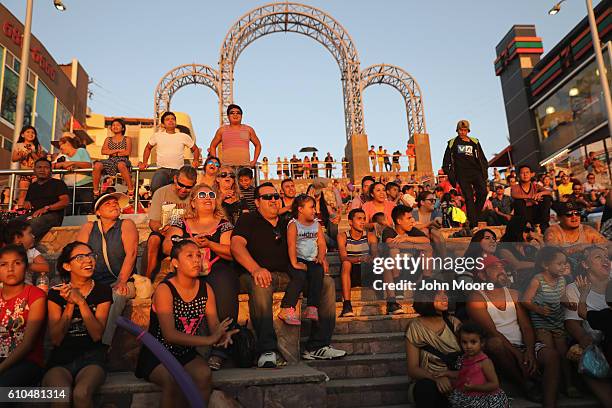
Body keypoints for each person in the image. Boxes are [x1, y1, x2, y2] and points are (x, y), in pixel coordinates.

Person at [230, 183, 346, 367]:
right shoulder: (248, 220)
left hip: (289, 275)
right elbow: (236, 246)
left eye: (276, 196)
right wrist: (255, 269)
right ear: (257, 202)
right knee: (262, 284)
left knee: (326, 282)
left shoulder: (288, 221)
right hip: (254, 274)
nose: (274, 200)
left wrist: (319, 257)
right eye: (268, 197)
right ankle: (267, 349)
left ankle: (318, 345)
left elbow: (309, 240)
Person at [135, 240, 237, 407]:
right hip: (158, 353)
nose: (196, 260)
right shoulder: (165, 289)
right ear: (175, 263)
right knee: (172, 380)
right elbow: (169, 335)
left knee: (204, 375)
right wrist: (209, 340)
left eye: (198, 255)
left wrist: (222, 335)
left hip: (184, 353)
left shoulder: (206, 289)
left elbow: (214, 326)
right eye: (189, 256)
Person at [162, 184, 238, 370]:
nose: (207, 198)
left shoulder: (224, 224)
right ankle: (179, 347)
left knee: (224, 282)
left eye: (211, 194)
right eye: (202, 194)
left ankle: (220, 350)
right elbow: (167, 246)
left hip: (216, 266)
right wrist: (190, 243)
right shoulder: (181, 221)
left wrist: (210, 244)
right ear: (193, 202)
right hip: (187, 268)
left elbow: (231, 252)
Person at [467, 256, 560, 407]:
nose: (502, 270)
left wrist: (528, 351)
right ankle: (525, 384)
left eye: (502, 267)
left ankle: (550, 404)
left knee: (552, 355)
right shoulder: (476, 298)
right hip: (501, 349)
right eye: (495, 267)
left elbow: (526, 327)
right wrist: (518, 355)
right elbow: (492, 332)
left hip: (523, 345)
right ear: (482, 275)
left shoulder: (514, 294)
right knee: (495, 343)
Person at [43, 242, 113, 408]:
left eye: (90, 256)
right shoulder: (55, 293)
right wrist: (69, 304)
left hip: (92, 357)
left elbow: (97, 334)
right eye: (80, 257)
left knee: (81, 393)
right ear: (67, 266)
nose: (88, 261)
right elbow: (56, 338)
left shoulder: (103, 291)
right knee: (61, 397)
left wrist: (81, 302)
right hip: (61, 358)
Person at [76, 192, 137, 346]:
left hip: (122, 280)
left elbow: (132, 254)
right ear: (98, 212)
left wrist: (122, 281)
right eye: (107, 204)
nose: (113, 205)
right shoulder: (89, 227)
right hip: (95, 282)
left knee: (117, 295)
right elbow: (78, 253)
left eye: (115, 203)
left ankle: (103, 344)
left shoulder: (126, 224)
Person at [521, 247, 579, 397]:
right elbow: (525, 300)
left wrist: (568, 304)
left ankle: (569, 384)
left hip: (557, 321)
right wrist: (539, 309)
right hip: (542, 324)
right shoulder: (538, 280)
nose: (563, 266)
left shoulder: (562, 280)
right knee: (551, 353)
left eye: (564, 263)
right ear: (546, 265)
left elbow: (561, 297)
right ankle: (553, 385)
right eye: (559, 264)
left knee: (563, 353)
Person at [563, 245, 612, 406]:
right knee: (580, 352)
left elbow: (583, 312)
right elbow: (571, 323)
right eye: (598, 257)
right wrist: (587, 342)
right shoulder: (574, 288)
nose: (606, 260)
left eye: (607, 257)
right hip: (593, 342)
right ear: (585, 264)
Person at [405, 284, 461, 408]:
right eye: (438, 293)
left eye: (445, 293)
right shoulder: (415, 327)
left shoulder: (454, 323)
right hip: (428, 381)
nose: (444, 297)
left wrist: (449, 375)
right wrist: (436, 379)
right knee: (426, 389)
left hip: (456, 378)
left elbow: (471, 358)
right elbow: (412, 369)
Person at [0, 245, 46, 386]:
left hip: (26, 361)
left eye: (17, 263)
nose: (10, 269)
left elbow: (28, 344)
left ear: (26, 267)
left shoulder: (35, 295)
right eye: (3, 264)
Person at [278, 195, 328, 325]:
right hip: (296, 258)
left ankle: (312, 307)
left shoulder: (316, 224)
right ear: (300, 209)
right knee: (299, 277)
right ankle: (287, 308)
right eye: (311, 207)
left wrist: (321, 257)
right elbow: (291, 245)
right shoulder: (294, 225)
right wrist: (294, 262)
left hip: (312, 259)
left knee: (318, 273)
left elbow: (322, 243)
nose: (314, 211)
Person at [143, 166, 197, 279]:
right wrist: (160, 229)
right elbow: (153, 222)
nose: (183, 189)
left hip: (188, 234)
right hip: (165, 232)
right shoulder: (161, 193)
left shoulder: (196, 195)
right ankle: (148, 279)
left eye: (188, 187)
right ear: (175, 179)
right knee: (154, 239)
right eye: (180, 185)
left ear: (194, 184)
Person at [382, 205, 432, 314]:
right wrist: (415, 245)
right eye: (408, 218)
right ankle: (392, 301)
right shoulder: (389, 230)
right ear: (399, 221)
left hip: (413, 270)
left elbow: (426, 241)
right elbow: (390, 243)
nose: (412, 221)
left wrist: (406, 238)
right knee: (392, 253)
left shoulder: (411, 231)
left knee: (427, 249)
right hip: (396, 271)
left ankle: (426, 283)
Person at [447, 322, 509, 408]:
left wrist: (475, 387)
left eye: (473, 342)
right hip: (467, 396)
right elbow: (462, 374)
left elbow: (494, 384)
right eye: (464, 342)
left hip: (483, 399)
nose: (468, 346)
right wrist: (446, 373)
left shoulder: (484, 362)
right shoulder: (463, 358)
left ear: (482, 343)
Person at [139, 111, 201, 193]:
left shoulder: (183, 136)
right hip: (162, 170)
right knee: (155, 188)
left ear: (175, 123)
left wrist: (196, 160)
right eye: (167, 119)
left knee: (178, 192)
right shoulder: (157, 135)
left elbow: (195, 149)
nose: (171, 121)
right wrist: (144, 162)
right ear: (163, 124)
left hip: (178, 171)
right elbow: (148, 148)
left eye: (173, 119)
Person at [442, 120, 488, 228]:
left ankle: (473, 216)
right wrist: (452, 175)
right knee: (469, 197)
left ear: (468, 131)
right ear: (457, 131)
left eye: (465, 130)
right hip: (462, 174)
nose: (463, 132)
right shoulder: (452, 143)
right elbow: (445, 163)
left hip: (476, 172)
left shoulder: (474, 142)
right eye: (460, 130)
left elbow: (482, 158)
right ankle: (474, 224)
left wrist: (484, 171)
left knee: (483, 193)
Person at [337, 209, 377, 317]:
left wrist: (367, 259)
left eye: (364, 219)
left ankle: (392, 302)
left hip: (366, 272)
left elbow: (374, 256)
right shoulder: (342, 236)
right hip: (352, 273)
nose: (363, 222)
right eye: (359, 219)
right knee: (346, 264)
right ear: (350, 222)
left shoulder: (370, 235)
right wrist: (360, 258)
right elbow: (343, 257)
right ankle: (347, 305)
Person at [21, 158, 70, 241]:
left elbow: (65, 202)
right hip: (34, 214)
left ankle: (25, 245)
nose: (42, 170)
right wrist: (26, 203)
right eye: (39, 167)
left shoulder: (58, 183)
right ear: (34, 170)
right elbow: (27, 201)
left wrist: (47, 208)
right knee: (13, 222)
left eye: (46, 167)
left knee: (33, 223)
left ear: (51, 170)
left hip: (53, 215)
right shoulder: (33, 186)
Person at [544, 201, 610, 256]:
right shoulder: (553, 232)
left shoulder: (587, 230)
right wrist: (579, 248)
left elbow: (608, 245)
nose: (574, 217)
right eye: (569, 214)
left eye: (577, 213)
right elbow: (552, 255)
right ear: (559, 218)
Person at [92, 118, 134, 199]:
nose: (115, 126)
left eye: (118, 125)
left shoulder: (127, 139)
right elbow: (103, 151)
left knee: (121, 165)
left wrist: (112, 152)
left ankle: (130, 189)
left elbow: (127, 152)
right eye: (113, 125)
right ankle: (96, 191)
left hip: (123, 160)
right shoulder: (108, 139)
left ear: (123, 128)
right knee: (97, 165)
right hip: (110, 160)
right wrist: (118, 150)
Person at [209, 104, 261, 168]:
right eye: (232, 113)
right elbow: (212, 146)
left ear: (241, 116)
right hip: (226, 167)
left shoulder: (248, 129)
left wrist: (254, 160)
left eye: (238, 113)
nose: (235, 115)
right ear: (228, 116)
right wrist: (215, 162)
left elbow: (258, 145)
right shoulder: (222, 130)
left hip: (245, 167)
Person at [54, 133, 93, 215]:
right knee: (68, 212)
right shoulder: (61, 156)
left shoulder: (81, 151)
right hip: (69, 187)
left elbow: (89, 165)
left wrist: (72, 163)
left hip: (84, 185)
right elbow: (52, 165)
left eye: (61, 145)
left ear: (67, 143)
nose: (60, 148)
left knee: (86, 210)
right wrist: (63, 165)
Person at [496, 216, 540, 288]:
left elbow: (547, 258)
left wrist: (541, 241)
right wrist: (540, 264)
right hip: (515, 287)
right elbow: (516, 265)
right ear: (516, 230)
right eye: (527, 230)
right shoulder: (503, 247)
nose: (530, 234)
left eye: (532, 230)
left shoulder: (528, 248)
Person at [2, 220, 50, 286]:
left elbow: (45, 267)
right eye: (30, 233)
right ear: (17, 238)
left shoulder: (32, 251)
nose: (33, 236)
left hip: (27, 288)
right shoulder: (4, 254)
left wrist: (26, 264)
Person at [12, 125, 46, 208]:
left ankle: (35, 208)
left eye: (33, 132)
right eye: (28, 132)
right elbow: (14, 158)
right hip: (24, 173)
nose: (31, 134)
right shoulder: (19, 145)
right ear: (22, 135)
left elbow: (40, 161)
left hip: (35, 173)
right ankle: (20, 210)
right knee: (23, 193)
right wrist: (22, 156)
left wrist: (32, 153)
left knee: (36, 191)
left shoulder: (38, 146)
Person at [511, 165, 552, 232]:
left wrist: (540, 193)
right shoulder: (516, 187)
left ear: (531, 174)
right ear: (518, 176)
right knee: (518, 202)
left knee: (546, 198)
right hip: (523, 214)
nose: (525, 175)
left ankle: (544, 224)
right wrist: (531, 197)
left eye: (527, 172)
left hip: (535, 212)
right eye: (522, 173)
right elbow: (514, 195)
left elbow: (548, 192)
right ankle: (526, 226)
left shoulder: (535, 185)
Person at [413, 191, 445, 257]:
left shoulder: (436, 212)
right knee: (424, 231)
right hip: (416, 239)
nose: (433, 202)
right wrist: (430, 223)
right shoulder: (413, 213)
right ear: (422, 202)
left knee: (435, 233)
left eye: (434, 200)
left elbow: (438, 223)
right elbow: (412, 227)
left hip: (431, 238)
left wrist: (421, 225)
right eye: (431, 200)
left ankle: (443, 260)